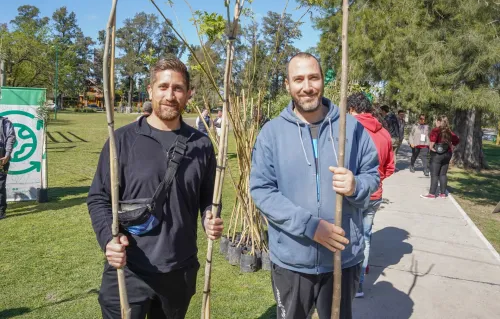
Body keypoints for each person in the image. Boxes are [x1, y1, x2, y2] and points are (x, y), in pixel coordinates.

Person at [87, 57, 224, 319]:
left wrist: (210, 218)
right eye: (163, 87)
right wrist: (108, 239)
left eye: (178, 88)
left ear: (188, 94)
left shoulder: (201, 145)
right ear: (150, 90)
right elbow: (98, 198)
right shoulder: (122, 141)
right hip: (128, 270)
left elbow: (209, 198)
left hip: (179, 272)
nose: (170, 95)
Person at [250, 52, 380, 319]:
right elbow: (262, 190)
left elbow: (372, 175)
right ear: (287, 85)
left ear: (323, 81)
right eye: (298, 79)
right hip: (293, 259)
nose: (307, 86)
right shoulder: (271, 134)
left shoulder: (351, 128)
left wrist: (356, 185)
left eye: (313, 77)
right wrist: (310, 226)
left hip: (342, 257)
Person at [347, 93, 394, 298]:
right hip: (375, 193)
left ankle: (348, 283)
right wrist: (377, 179)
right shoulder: (384, 133)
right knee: (365, 237)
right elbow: (390, 167)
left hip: (352, 192)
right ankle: (359, 284)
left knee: (347, 237)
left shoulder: (348, 128)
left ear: (351, 109)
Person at [421, 115, 459, 199]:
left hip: (437, 154)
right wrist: (452, 146)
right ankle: (443, 193)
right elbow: (456, 140)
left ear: (438, 121)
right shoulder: (449, 131)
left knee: (434, 175)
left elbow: (432, 143)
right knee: (443, 174)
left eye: (436, 121)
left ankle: (432, 193)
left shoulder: (436, 130)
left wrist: (431, 147)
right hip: (447, 154)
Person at [0, 116, 16, 220]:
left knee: (0, 184)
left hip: (1, 157)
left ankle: (1, 210)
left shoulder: (5, 123)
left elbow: (11, 137)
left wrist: (7, 154)